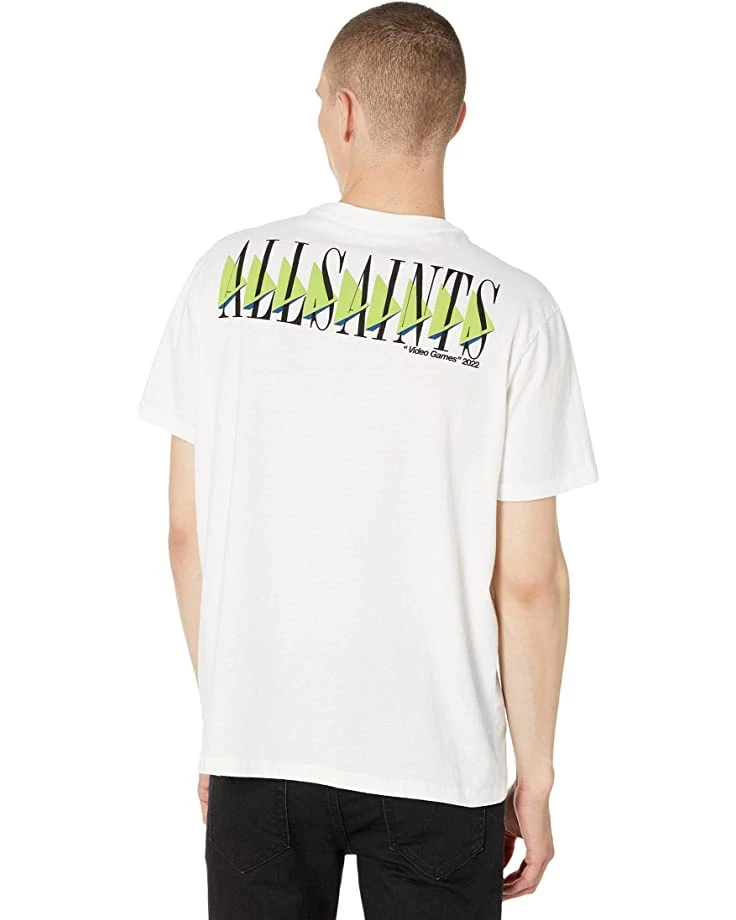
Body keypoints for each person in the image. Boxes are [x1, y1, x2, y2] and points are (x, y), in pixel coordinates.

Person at [138, 3, 597, 917]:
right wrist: (537, 775)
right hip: (440, 757)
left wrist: (230, 719)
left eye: (319, 101)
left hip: (261, 742)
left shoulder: (223, 274)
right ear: (456, 120)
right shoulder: (520, 312)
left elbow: (186, 535)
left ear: (344, 112)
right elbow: (529, 581)